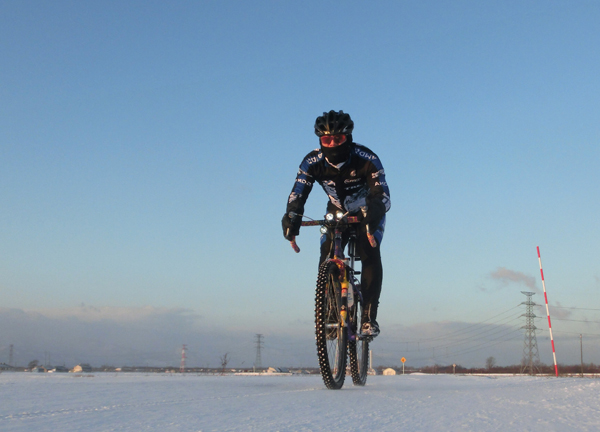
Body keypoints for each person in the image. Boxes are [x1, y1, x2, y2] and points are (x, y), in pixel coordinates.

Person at [281, 110, 391, 337]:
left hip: (367, 210)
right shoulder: (311, 162)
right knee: (326, 254)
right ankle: (331, 312)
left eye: (338, 139)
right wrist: (291, 218)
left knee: (369, 250)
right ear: (320, 140)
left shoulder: (367, 158)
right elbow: (298, 194)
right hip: (336, 211)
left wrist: (374, 213)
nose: (332, 144)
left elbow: (382, 194)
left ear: (348, 138)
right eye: (326, 140)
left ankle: (369, 318)